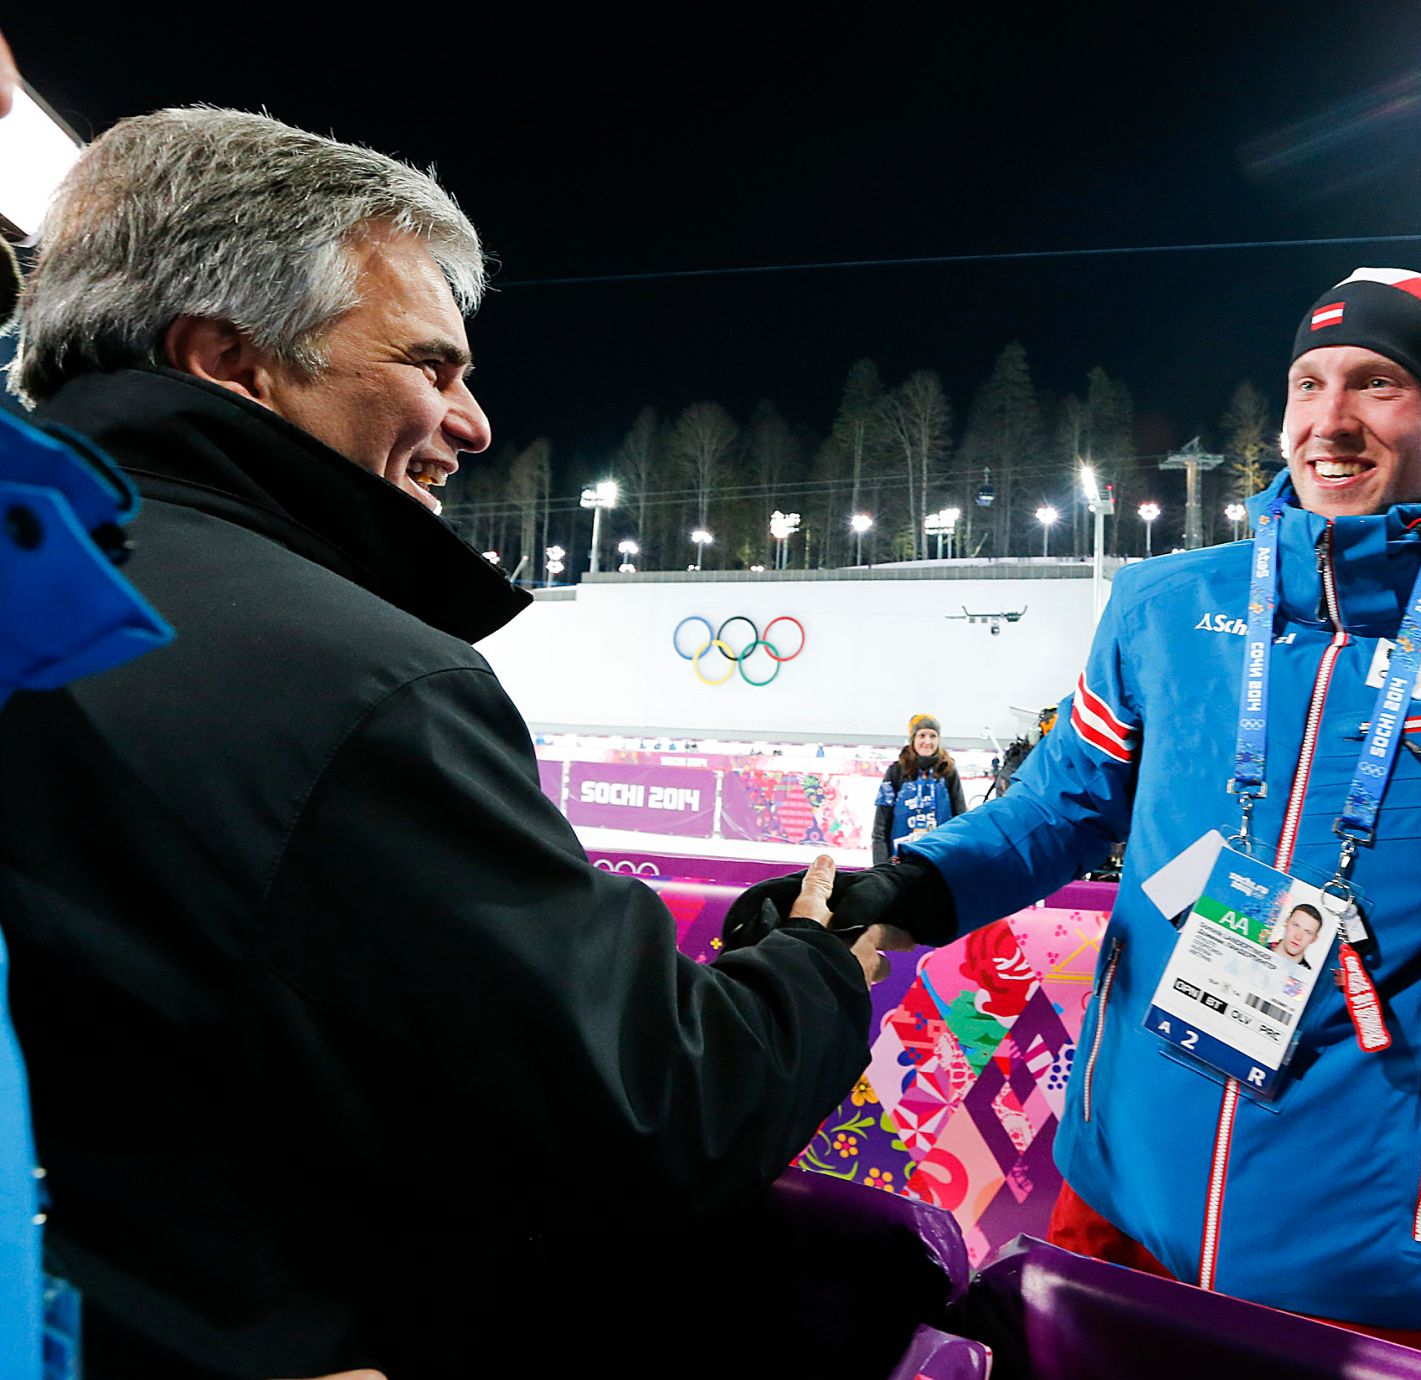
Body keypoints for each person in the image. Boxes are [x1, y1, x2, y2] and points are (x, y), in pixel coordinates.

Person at [0, 108, 886, 1379]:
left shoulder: (44, 580)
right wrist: (819, 967)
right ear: (227, 361)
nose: (470, 423)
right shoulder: (360, 684)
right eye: (431, 364)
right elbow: (658, 1111)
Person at [786, 268, 1421, 1377]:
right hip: (1115, 1208)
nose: (1328, 420)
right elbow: (1065, 804)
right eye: (1306, 383)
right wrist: (912, 886)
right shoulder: (1162, 608)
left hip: (1372, 1275)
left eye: (1377, 384)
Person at [871, 712, 966, 865]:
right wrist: (881, 866)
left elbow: (960, 818)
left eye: (933, 736)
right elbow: (880, 827)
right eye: (922, 735)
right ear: (913, 739)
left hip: (939, 861)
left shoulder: (948, 771)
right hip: (899, 863)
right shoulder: (895, 772)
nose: (927, 741)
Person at [1267, 903, 1320, 972]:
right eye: (1296, 925)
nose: (1298, 937)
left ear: (1314, 939)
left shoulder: (1309, 976)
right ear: (1286, 922)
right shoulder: (1259, 947)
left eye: (1308, 932)